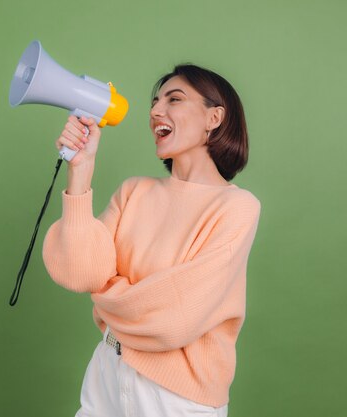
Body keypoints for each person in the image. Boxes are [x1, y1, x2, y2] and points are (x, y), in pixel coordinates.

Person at [42, 64, 261, 417]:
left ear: (214, 117)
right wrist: (81, 170)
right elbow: (79, 273)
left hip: (176, 396)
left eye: (174, 99)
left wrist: (107, 294)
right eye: (155, 102)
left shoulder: (237, 207)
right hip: (107, 373)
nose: (156, 111)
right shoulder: (134, 192)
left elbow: (174, 320)